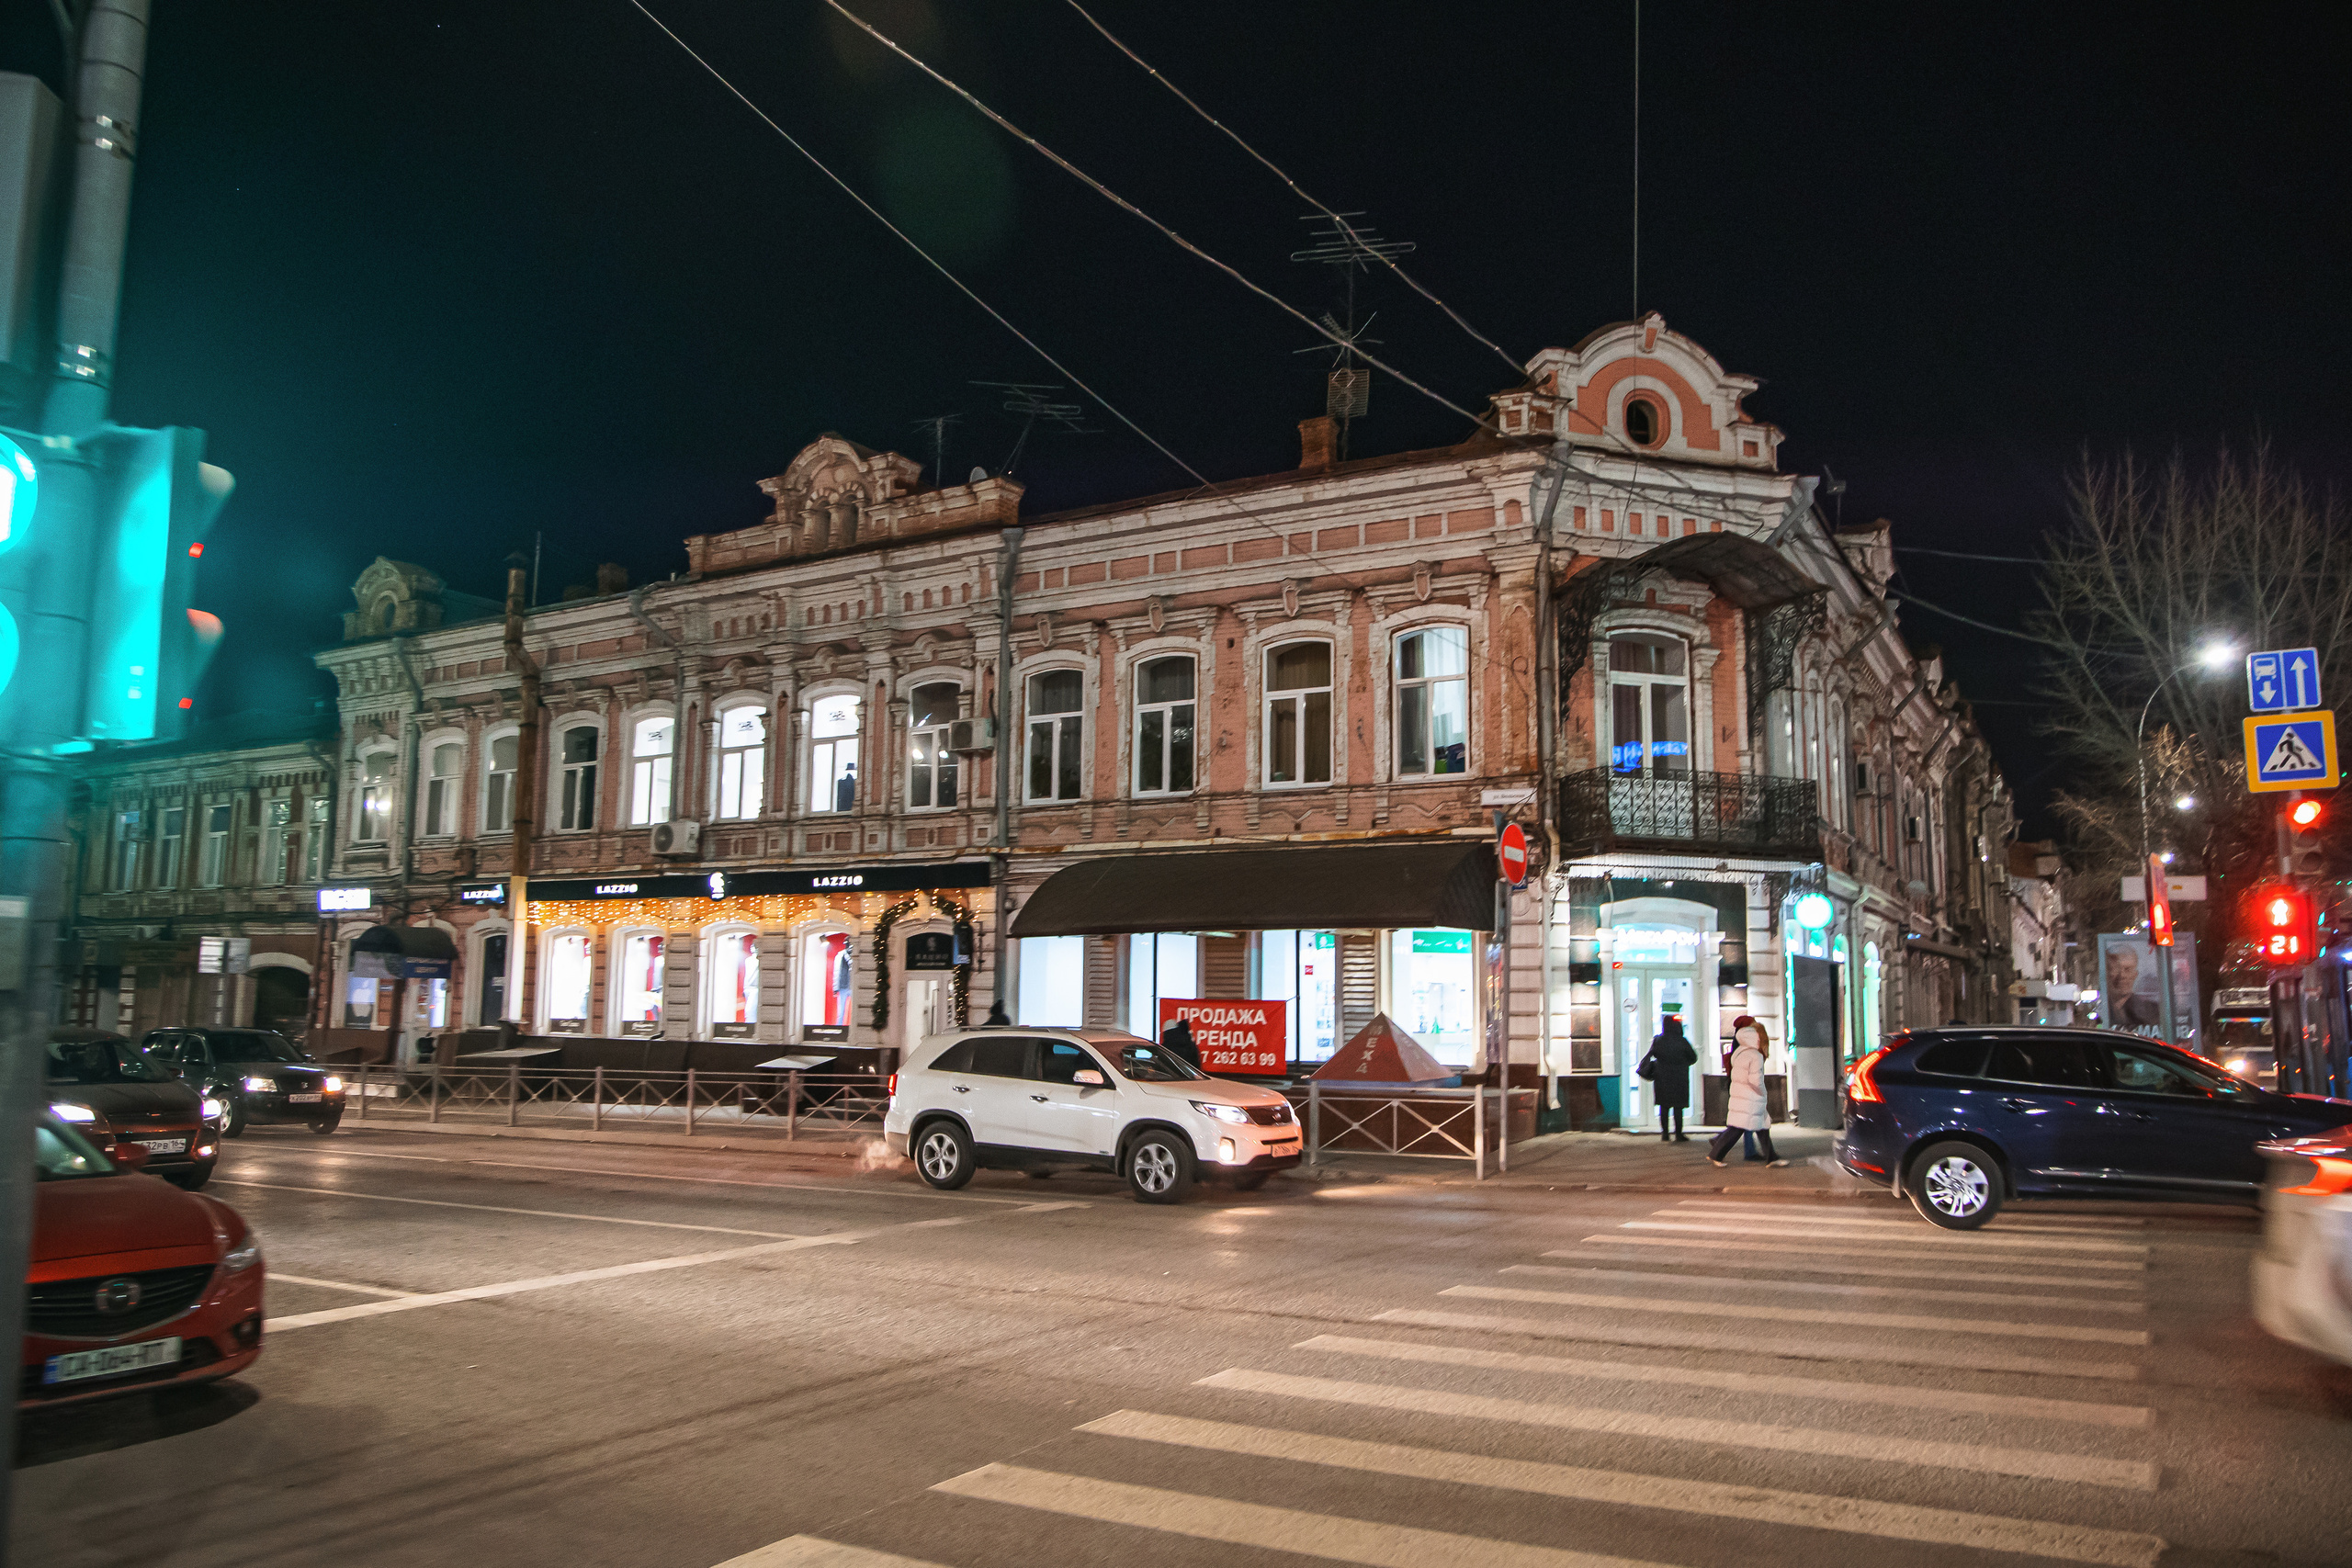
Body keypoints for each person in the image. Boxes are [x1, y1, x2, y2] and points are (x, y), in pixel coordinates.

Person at [1709, 1019, 1786, 1167]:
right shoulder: (1755, 1055)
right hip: (1751, 1097)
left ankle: (1772, 1158)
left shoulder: (1739, 1053)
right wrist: (1762, 1093)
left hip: (1741, 1094)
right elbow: (1755, 1080)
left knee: (1762, 1127)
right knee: (1738, 1128)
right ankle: (1716, 1154)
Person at [1637, 1016, 1698, 1143]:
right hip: (1679, 1077)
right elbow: (1693, 1058)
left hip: (1662, 1077)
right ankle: (1679, 1134)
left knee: (1664, 1106)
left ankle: (1665, 1134)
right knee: (1678, 1107)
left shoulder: (1658, 1040)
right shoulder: (1682, 1041)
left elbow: (1652, 1054)